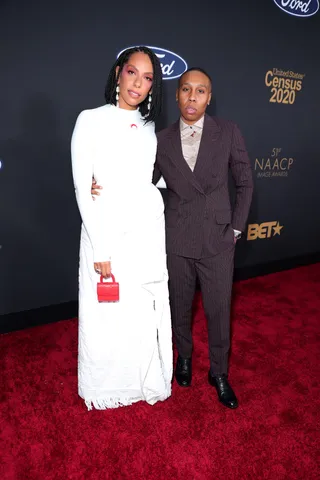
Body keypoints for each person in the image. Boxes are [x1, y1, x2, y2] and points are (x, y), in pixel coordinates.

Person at [92, 67, 253, 409]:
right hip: (177, 238)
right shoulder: (160, 139)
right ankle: (183, 358)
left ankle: (219, 373)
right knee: (179, 307)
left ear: (209, 98)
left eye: (200, 91)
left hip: (218, 239)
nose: (192, 97)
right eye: (186, 90)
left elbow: (245, 182)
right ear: (177, 94)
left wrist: (236, 229)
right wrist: (101, 185)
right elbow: (140, 181)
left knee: (218, 310)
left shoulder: (228, 132)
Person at [71, 46, 173, 411]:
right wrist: (99, 247)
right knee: (105, 311)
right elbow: (83, 186)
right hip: (106, 231)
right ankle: (105, 385)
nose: (139, 83)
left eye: (148, 78)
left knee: (138, 309)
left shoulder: (148, 130)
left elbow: (145, 179)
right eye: (133, 72)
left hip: (144, 232)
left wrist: (157, 192)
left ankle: (138, 379)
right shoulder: (90, 119)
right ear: (118, 72)